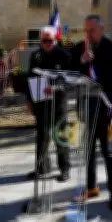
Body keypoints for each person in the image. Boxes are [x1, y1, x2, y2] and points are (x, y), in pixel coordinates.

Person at [69, 15, 112, 212]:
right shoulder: (79, 49)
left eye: (91, 30)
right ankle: (91, 187)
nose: (88, 34)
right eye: (86, 30)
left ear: (101, 28)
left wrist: (101, 84)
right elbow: (71, 74)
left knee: (110, 154)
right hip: (86, 109)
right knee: (88, 151)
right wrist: (81, 62)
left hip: (105, 109)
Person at [25, 26, 71, 182]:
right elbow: (29, 78)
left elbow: (69, 80)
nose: (47, 43)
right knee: (42, 137)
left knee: (61, 136)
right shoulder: (35, 56)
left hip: (58, 102)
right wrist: (29, 100)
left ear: (56, 39)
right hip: (41, 102)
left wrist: (55, 88)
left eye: (50, 40)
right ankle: (42, 168)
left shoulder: (64, 55)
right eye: (44, 40)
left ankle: (65, 169)